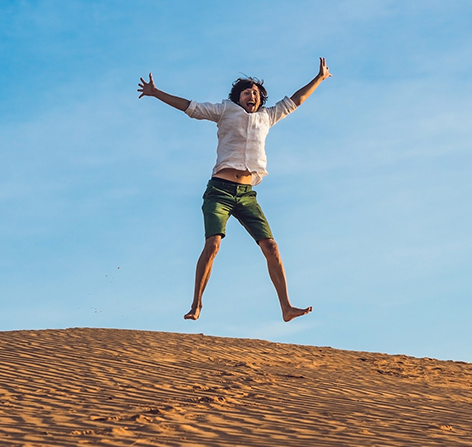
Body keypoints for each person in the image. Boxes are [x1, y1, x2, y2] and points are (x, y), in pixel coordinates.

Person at [137, 58, 331, 322]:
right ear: (238, 97)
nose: (251, 95)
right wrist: (156, 93)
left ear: (260, 100)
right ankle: (196, 305)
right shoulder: (225, 110)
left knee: (271, 247)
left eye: (256, 93)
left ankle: (286, 307)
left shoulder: (267, 116)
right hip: (220, 191)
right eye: (246, 92)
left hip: (247, 195)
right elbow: (190, 107)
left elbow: (296, 100)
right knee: (213, 244)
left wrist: (319, 78)